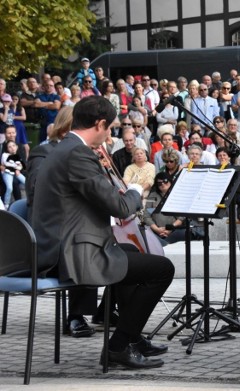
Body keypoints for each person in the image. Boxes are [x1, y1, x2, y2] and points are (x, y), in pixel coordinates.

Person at [31, 96, 174, 368]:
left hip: (59, 246)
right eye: (110, 129)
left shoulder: (63, 148)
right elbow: (120, 207)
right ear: (99, 124)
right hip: (70, 253)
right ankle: (118, 347)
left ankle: (130, 335)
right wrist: (134, 190)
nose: (111, 135)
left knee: (131, 252)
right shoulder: (78, 154)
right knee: (162, 269)